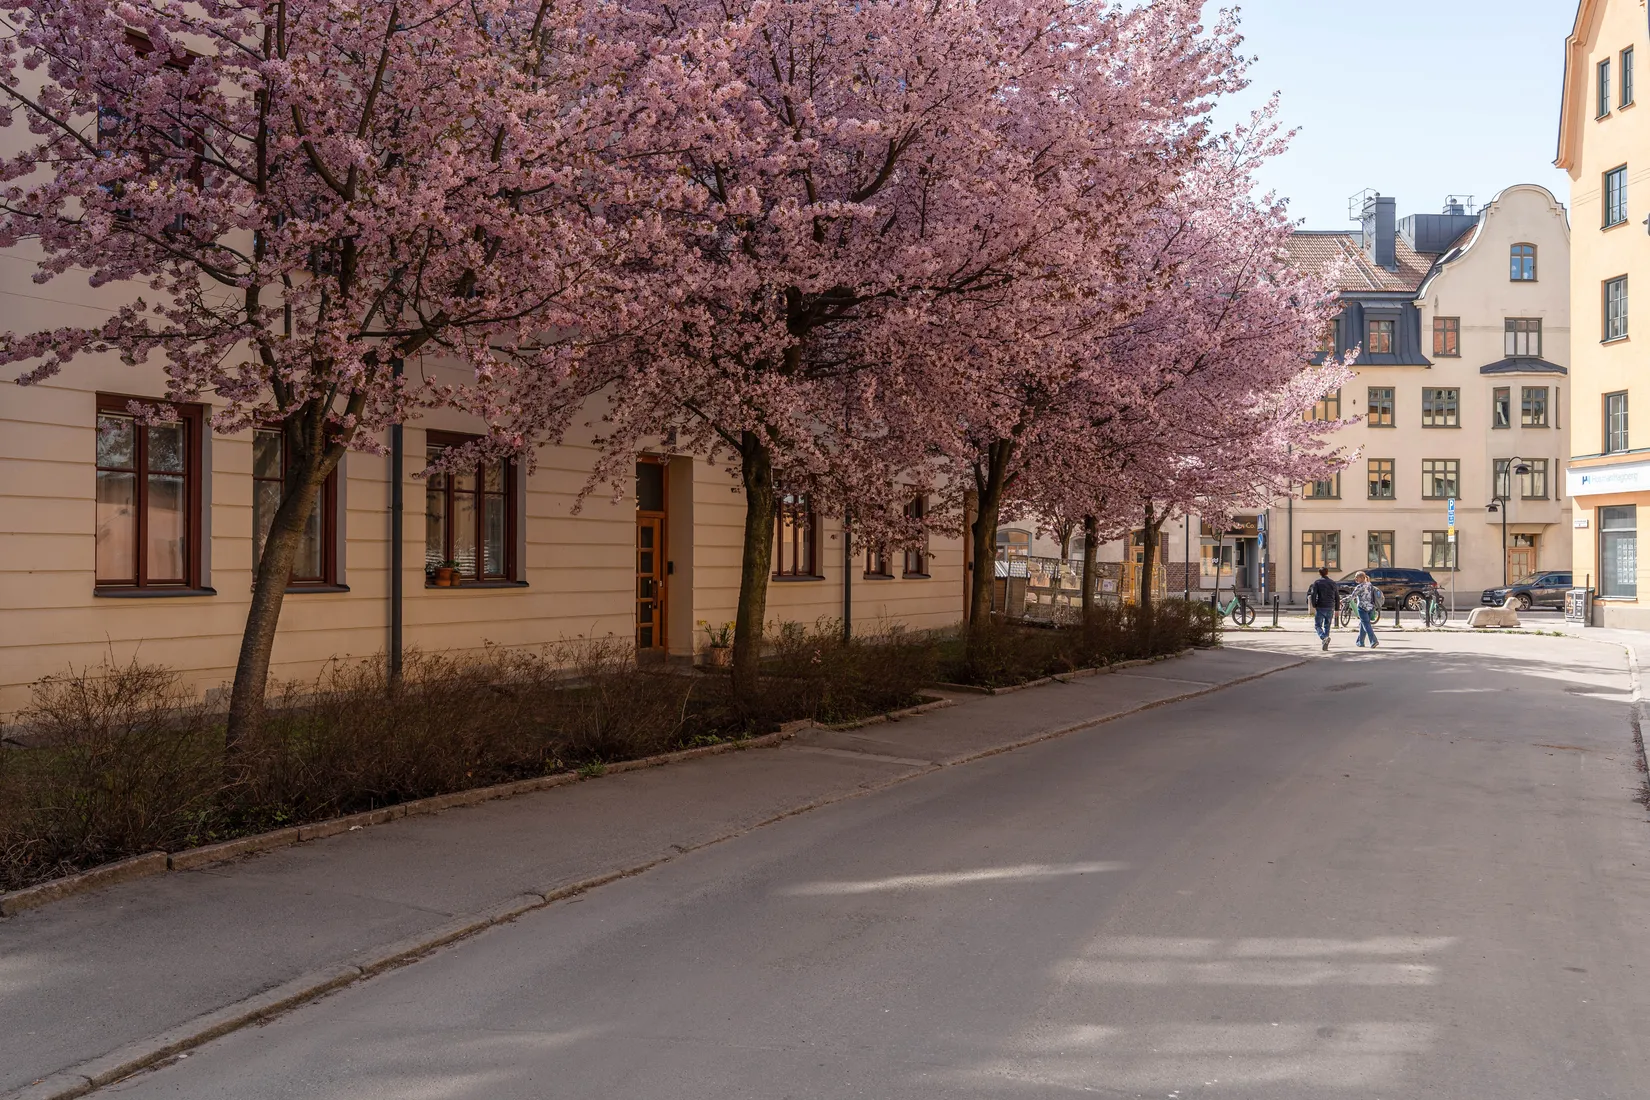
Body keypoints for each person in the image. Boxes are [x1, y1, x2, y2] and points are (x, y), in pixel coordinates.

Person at [1308, 567, 1339, 651]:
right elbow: (1337, 596)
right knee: (1327, 625)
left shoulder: (1317, 582)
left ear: (1319, 573)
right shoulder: (1333, 583)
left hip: (1321, 606)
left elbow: (1313, 594)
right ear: (1327, 572)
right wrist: (1337, 609)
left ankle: (1323, 637)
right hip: (1330, 606)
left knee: (1318, 625)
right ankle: (1326, 642)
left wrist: (1314, 605)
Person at [1351, 570, 1381, 649]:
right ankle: (1360, 642)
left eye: (1356, 577)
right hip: (1371, 607)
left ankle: (1373, 641)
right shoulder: (1370, 585)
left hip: (1362, 608)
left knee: (1366, 625)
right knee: (1363, 624)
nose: (1355, 579)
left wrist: (1342, 600)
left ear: (1361, 577)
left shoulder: (1359, 587)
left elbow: (1352, 597)